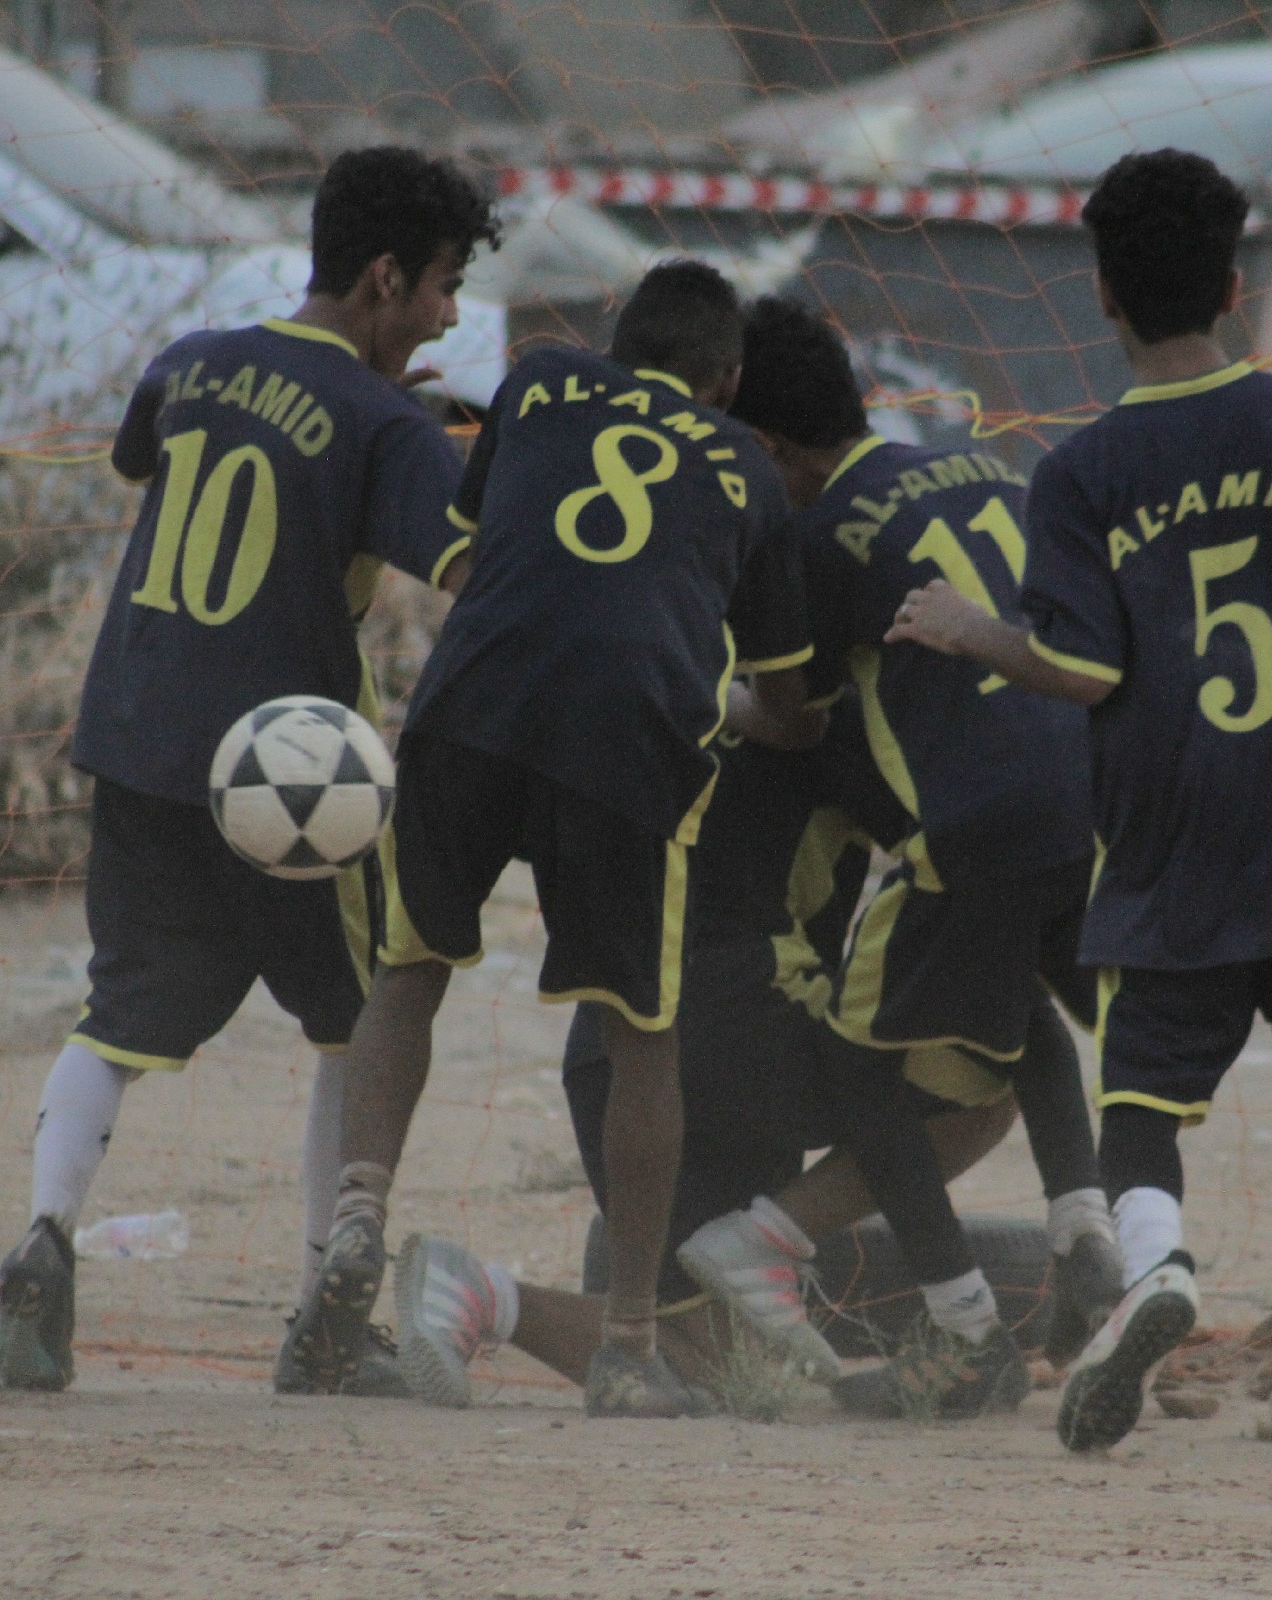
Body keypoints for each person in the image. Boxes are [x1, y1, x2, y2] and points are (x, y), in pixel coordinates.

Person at [887, 148, 1272, 1452]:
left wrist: (970, 628)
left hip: (1177, 829)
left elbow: (1084, 669)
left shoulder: (1085, 470)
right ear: (1237, 288)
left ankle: (1162, 1265)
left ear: (1105, 297)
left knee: (1143, 1100)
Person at [0, 147, 498, 1394]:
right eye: (441, 285)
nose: (449, 315)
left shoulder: (190, 360)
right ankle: (327, 1320)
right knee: (359, 1021)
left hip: (139, 735)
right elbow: (474, 571)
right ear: (385, 278)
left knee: (120, 1011)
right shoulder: (388, 423)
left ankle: (44, 1236)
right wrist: (431, 448)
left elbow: (146, 457)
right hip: (295, 769)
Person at [288, 261, 822, 1418]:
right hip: (628, 741)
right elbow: (788, 707)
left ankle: (359, 1216)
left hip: (471, 707)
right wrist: (758, 704)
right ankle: (627, 1343)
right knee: (643, 1036)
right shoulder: (745, 467)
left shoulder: (537, 384)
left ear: (617, 333)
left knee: (408, 970)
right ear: (727, 380)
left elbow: (486, 550)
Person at [683, 297, 1124, 1421]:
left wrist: (701, 691)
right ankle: (1084, 1220)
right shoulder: (989, 468)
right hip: (1089, 804)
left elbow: (797, 718)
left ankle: (959, 1324)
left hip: (968, 832)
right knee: (1019, 1001)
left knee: (859, 1064)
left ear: (765, 445)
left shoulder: (815, 539)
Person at [386, 714, 1033, 1408]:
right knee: (986, 1078)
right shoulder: (827, 715)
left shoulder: (675, 698)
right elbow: (971, 860)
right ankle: (768, 1239)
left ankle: (478, 1295)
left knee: (715, 1363)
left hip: (614, 1053)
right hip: (745, 1027)